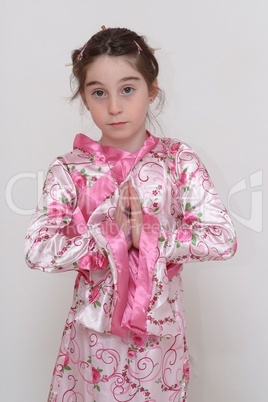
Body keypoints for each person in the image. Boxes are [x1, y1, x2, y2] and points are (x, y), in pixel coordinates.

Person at [25, 26, 237, 402]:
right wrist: (106, 237)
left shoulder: (177, 161)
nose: (114, 107)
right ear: (84, 99)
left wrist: (151, 236)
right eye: (98, 93)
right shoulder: (71, 170)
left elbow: (222, 238)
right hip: (95, 338)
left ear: (151, 90)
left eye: (127, 89)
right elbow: (38, 249)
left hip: (159, 333)